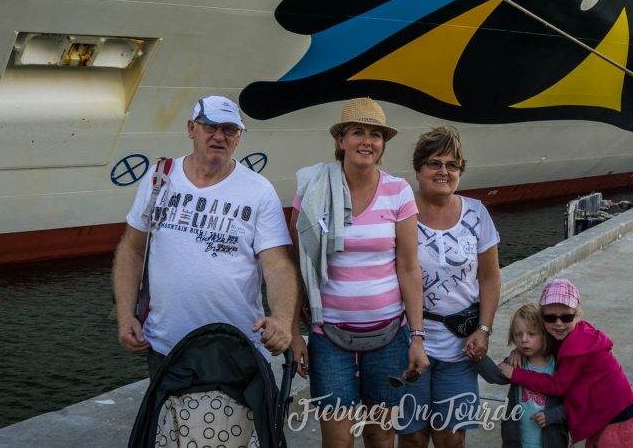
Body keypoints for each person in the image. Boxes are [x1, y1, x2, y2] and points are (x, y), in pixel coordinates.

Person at [112, 96, 298, 375]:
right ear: (191, 129)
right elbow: (132, 249)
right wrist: (125, 315)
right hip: (166, 348)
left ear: (239, 137)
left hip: (238, 347)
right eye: (209, 126)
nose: (219, 136)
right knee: (169, 419)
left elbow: (278, 265)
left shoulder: (258, 190)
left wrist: (282, 319)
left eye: (229, 129)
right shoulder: (158, 179)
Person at [290, 97, 429, 448]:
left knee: (380, 438)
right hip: (329, 336)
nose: (367, 141)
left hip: (389, 335)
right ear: (341, 140)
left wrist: (416, 336)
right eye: (357, 132)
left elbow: (409, 268)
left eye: (375, 135)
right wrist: (293, 332)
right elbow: (296, 267)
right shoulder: (312, 189)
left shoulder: (398, 192)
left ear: (383, 144)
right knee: (337, 441)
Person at [398, 127, 502, 448]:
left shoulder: (476, 212)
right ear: (418, 169)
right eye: (434, 163)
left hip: (460, 345)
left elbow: (489, 277)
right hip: (409, 341)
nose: (444, 171)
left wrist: (483, 329)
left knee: (451, 437)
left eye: (452, 165)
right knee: (413, 437)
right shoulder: (402, 212)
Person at [499, 279, 633, 448]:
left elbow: (556, 387)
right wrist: (519, 350)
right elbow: (539, 342)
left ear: (578, 315)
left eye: (566, 317)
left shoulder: (576, 347)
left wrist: (516, 374)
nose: (558, 323)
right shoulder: (568, 334)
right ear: (542, 319)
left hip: (617, 413)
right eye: (550, 318)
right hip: (604, 411)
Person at [475, 304, 567, 448]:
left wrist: (553, 415)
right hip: (516, 441)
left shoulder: (559, 366)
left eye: (531, 334)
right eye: (518, 334)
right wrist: (478, 358)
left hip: (551, 441)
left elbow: (573, 404)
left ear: (545, 333)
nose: (524, 339)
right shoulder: (517, 362)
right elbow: (495, 377)